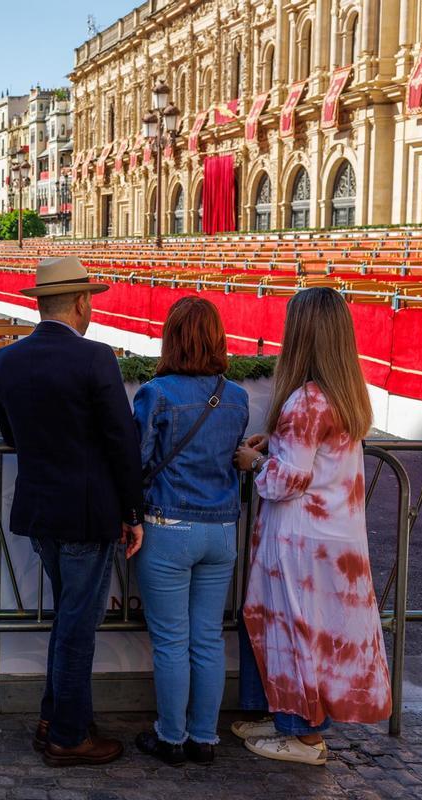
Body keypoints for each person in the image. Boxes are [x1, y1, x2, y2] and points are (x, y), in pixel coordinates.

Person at [0, 256, 145, 767]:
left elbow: (11, 436)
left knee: (68, 620)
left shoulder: (6, 360)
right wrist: (133, 511)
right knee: (78, 628)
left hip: (40, 511)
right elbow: (123, 442)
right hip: (87, 514)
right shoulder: (96, 358)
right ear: (82, 302)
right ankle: (68, 736)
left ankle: (52, 719)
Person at [232, 287, 391, 766]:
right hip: (334, 537)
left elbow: (287, 480)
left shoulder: (306, 400)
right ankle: (284, 716)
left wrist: (251, 461)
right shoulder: (345, 394)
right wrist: (274, 446)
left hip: (299, 542)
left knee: (291, 629)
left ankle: (302, 733)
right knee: (299, 630)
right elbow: (314, 462)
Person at [130, 297, 249, 766]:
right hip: (220, 529)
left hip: (169, 527)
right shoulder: (236, 396)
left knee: (171, 641)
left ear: (171, 337)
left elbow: (138, 461)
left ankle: (171, 736)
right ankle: (205, 738)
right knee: (207, 638)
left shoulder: (156, 393)